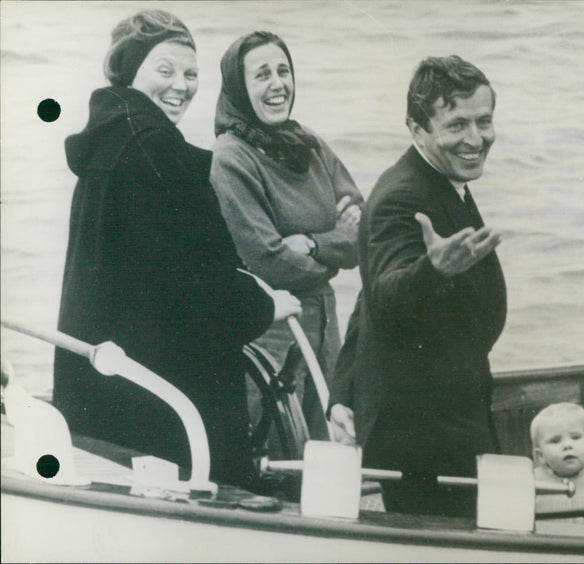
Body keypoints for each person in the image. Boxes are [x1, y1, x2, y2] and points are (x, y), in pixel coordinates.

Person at [52, 10, 301, 492]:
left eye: (190, 74)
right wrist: (267, 304)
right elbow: (201, 285)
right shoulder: (158, 151)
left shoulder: (107, 142)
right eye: (164, 70)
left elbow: (154, 269)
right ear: (128, 71)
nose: (181, 86)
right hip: (162, 414)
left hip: (103, 397)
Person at [328, 55, 507, 518]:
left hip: (442, 421)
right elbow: (387, 295)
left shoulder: (442, 181)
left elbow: (366, 299)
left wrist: (342, 390)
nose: (475, 138)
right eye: (456, 125)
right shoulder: (404, 197)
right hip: (422, 438)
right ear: (417, 129)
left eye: (484, 121)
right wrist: (435, 270)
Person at [210, 31, 363, 440]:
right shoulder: (231, 157)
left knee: (329, 447)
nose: (277, 84)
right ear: (239, 88)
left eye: (284, 71)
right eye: (261, 75)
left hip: (327, 327)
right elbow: (268, 259)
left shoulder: (309, 143)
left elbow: (364, 232)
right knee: (281, 453)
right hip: (274, 333)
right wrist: (336, 244)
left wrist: (314, 244)